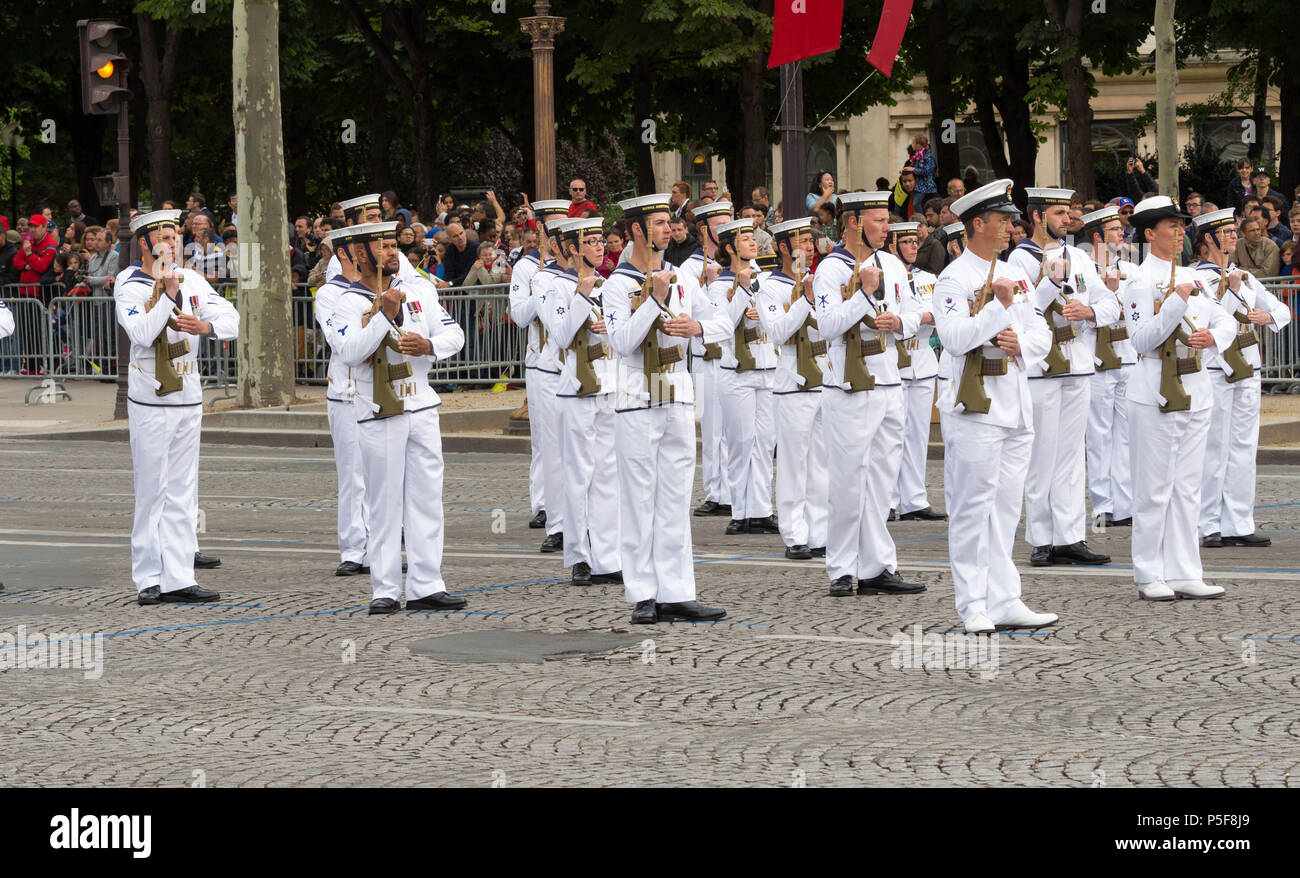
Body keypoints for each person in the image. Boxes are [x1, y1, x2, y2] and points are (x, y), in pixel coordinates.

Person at [933, 180, 1057, 633]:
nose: (1011, 226)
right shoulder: (954, 277)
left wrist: (1020, 341)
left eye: (1011, 219)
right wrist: (997, 311)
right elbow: (953, 339)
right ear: (977, 224)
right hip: (975, 409)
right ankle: (972, 604)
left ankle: (1005, 599)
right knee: (972, 508)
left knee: (1005, 510)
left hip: (1015, 406)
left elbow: (1041, 333)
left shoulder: (1017, 275)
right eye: (1002, 219)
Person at [604, 193, 731, 624]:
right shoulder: (616, 284)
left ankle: (677, 591)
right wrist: (655, 302)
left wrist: (697, 328)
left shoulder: (684, 278)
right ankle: (643, 593)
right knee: (639, 500)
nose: (667, 230)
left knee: (675, 499)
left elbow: (721, 323)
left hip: (676, 393)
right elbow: (621, 343)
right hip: (636, 399)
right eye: (658, 223)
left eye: (667, 223)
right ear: (638, 230)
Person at [329, 221, 467, 614]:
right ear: (360, 255)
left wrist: (429, 346)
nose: (393, 252)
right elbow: (350, 351)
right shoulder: (345, 300)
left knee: (426, 500)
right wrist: (383, 315)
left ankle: (427, 584)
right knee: (384, 501)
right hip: (379, 410)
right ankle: (385, 588)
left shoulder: (419, 290)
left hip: (421, 405)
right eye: (383, 246)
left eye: (394, 245)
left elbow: (454, 334)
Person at [114, 210, 240, 605]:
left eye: (174, 233)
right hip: (151, 398)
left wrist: (209, 326)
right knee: (152, 490)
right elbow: (140, 333)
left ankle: (180, 577)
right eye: (163, 234)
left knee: (184, 491)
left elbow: (231, 317)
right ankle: (149, 577)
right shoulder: (129, 282)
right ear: (145, 242)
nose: (172, 240)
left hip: (187, 395)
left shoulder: (193, 277)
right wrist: (167, 295)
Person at [1122, 195, 1236, 601]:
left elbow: (1225, 320)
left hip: (1196, 382)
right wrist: (1175, 302)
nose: (1179, 230)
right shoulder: (1137, 280)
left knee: (1188, 486)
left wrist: (1214, 338)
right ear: (1150, 233)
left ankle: (1186, 570)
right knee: (1153, 488)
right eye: (1171, 225)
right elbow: (1141, 338)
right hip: (1154, 385)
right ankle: (1148, 572)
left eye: (1181, 224)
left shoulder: (1197, 275)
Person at [812, 191, 924, 599]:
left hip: (890, 378)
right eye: (879, 220)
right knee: (847, 479)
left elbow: (915, 310)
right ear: (855, 223)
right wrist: (862, 294)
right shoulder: (831, 269)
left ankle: (877, 566)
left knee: (881, 480)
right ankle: (841, 567)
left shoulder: (892, 263)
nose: (887, 227)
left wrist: (900, 322)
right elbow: (826, 325)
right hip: (849, 384)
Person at [1006, 187, 1115, 569]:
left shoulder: (1081, 257)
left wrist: (1089, 311)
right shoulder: (1017, 260)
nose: (1066, 219)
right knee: (1042, 456)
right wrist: (1050, 283)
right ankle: (1042, 538)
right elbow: (1021, 308)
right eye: (1057, 212)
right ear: (1036, 217)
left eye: (1067, 212)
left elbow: (1110, 304)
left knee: (1071, 457)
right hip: (1041, 369)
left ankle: (1070, 537)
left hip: (1078, 362)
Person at [1190, 208, 1291, 548]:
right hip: (1216, 370)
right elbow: (1211, 318)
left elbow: (1282, 309)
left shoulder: (1243, 276)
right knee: (1214, 449)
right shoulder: (1196, 280)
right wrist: (1232, 292)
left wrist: (1267, 315)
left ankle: (1239, 522)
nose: (1234, 236)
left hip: (1248, 370)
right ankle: (1209, 523)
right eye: (1226, 232)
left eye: (1234, 231)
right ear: (1207, 239)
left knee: (1244, 449)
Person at [537, 217, 622, 586]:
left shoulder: (612, 284)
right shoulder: (556, 286)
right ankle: (579, 555)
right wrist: (582, 297)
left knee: (607, 475)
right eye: (590, 241)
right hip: (575, 388)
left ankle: (607, 555)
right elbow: (558, 334)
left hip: (609, 384)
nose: (599, 246)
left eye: (601, 240)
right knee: (578, 475)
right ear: (572, 248)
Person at [757, 217, 828, 559]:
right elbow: (778, 332)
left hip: (824, 379)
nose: (809, 248)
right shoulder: (769, 287)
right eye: (801, 242)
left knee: (821, 462)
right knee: (793, 463)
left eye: (811, 243)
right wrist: (806, 299)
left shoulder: (821, 279)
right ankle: (794, 533)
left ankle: (820, 531)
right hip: (792, 384)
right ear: (783, 247)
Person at [507, 199, 570, 547]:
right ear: (542, 230)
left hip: (572, 361)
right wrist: (542, 292)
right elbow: (518, 314)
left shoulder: (579, 268)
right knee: (546, 440)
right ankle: (546, 505)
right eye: (555, 227)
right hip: (542, 360)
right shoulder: (527, 267)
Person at [711, 217, 779, 537]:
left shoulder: (767, 278)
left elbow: (780, 317)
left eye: (754, 238)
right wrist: (741, 291)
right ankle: (739, 510)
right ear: (729, 247)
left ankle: (761, 510)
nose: (754, 243)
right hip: (734, 371)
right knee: (740, 443)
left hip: (767, 366)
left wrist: (762, 313)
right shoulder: (718, 284)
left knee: (765, 443)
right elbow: (720, 325)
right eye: (747, 238)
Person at [315, 225, 371, 577]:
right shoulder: (329, 294)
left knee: (382, 476)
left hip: (378, 390)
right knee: (353, 474)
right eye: (361, 249)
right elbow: (341, 344)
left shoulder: (381, 287)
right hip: (347, 392)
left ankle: (377, 545)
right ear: (347, 254)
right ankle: (354, 548)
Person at [1079, 205, 1139, 529]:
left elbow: (1138, 312)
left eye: (1121, 228)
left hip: (1126, 355)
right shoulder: (1084, 272)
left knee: (1125, 435)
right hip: (1096, 358)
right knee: (1099, 435)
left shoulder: (1131, 267)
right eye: (1115, 229)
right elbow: (1081, 316)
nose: (1122, 233)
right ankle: (1103, 504)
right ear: (1099, 236)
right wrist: (1110, 300)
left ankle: (1124, 504)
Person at [887, 222, 945, 522]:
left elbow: (939, 313)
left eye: (914, 241)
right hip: (895, 362)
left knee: (918, 435)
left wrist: (920, 317)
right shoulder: (886, 275)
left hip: (921, 359)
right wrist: (918, 316)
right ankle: (889, 499)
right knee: (892, 435)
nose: (913, 247)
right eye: (906, 241)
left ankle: (914, 498)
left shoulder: (929, 279)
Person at [679, 200, 734, 518]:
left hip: (735, 355)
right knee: (713, 428)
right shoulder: (689, 268)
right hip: (705, 355)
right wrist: (709, 283)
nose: (726, 230)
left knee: (737, 430)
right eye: (719, 225)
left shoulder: (743, 265)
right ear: (704, 230)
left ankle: (738, 490)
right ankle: (716, 491)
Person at [13, 215, 58, 299]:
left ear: (44, 227)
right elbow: (16, 261)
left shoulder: (50, 244)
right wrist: (27, 266)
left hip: (41, 294)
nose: (32, 229)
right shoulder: (29, 240)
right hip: (24, 291)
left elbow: (41, 267)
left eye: (36, 226)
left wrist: (29, 254)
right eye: (31, 226)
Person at [907, 134, 937, 200]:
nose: (912, 145)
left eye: (913, 143)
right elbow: (912, 166)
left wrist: (913, 169)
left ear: (918, 145)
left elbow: (926, 171)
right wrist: (905, 169)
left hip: (926, 186)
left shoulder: (928, 157)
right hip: (919, 185)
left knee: (917, 203)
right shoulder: (917, 156)